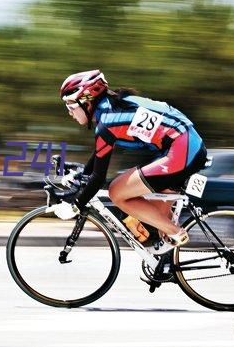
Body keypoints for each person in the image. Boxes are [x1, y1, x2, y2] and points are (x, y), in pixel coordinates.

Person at [53, 69, 207, 255]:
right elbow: (99, 154)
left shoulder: (107, 121)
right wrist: (81, 175)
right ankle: (166, 265)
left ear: (86, 100)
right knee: (157, 223)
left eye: (70, 105)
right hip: (185, 146)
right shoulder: (111, 108)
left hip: (182, 150)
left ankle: (177, 233)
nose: (69, 112)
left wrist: (75, 206)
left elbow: (99, 176)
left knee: (117, 191)